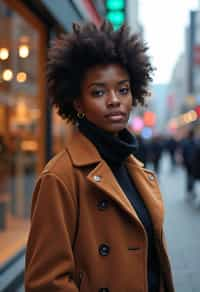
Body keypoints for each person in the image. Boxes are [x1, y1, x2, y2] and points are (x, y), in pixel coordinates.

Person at [25, 21, 175, 292]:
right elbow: (46, 283)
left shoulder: (137, 170)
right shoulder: (60, 177)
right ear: (78, 103)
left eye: (123, 89)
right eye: (99, 92)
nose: (114, 100)